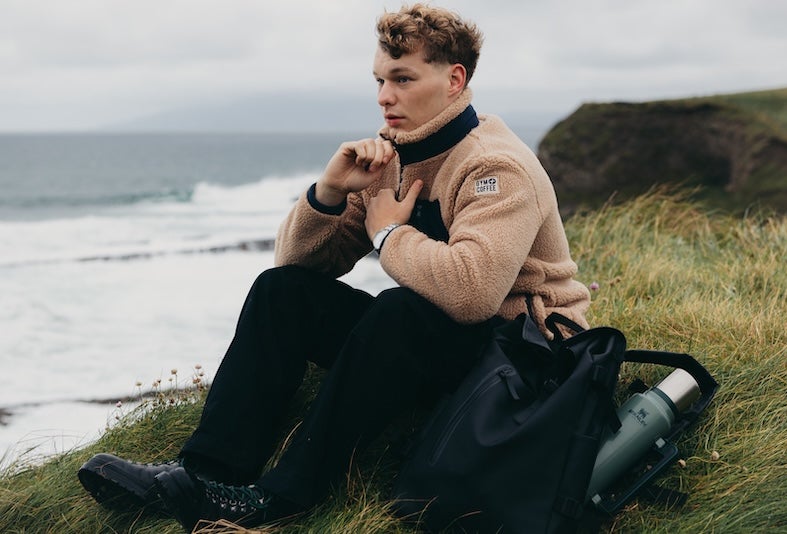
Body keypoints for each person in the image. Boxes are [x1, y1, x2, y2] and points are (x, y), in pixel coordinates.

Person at [77, 3, 591, 531]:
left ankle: (279, 500)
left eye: (402, 79)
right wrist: (328, 192)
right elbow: (297, 264)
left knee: (399, 311)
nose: (384, 96)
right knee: (281, 292)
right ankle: (201, 477)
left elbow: (472, 293)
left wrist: (388, 234)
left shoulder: (495, 165)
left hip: (529, 360)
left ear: (454, 80)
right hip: (448, 347)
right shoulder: (391, 157)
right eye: (379, 80)